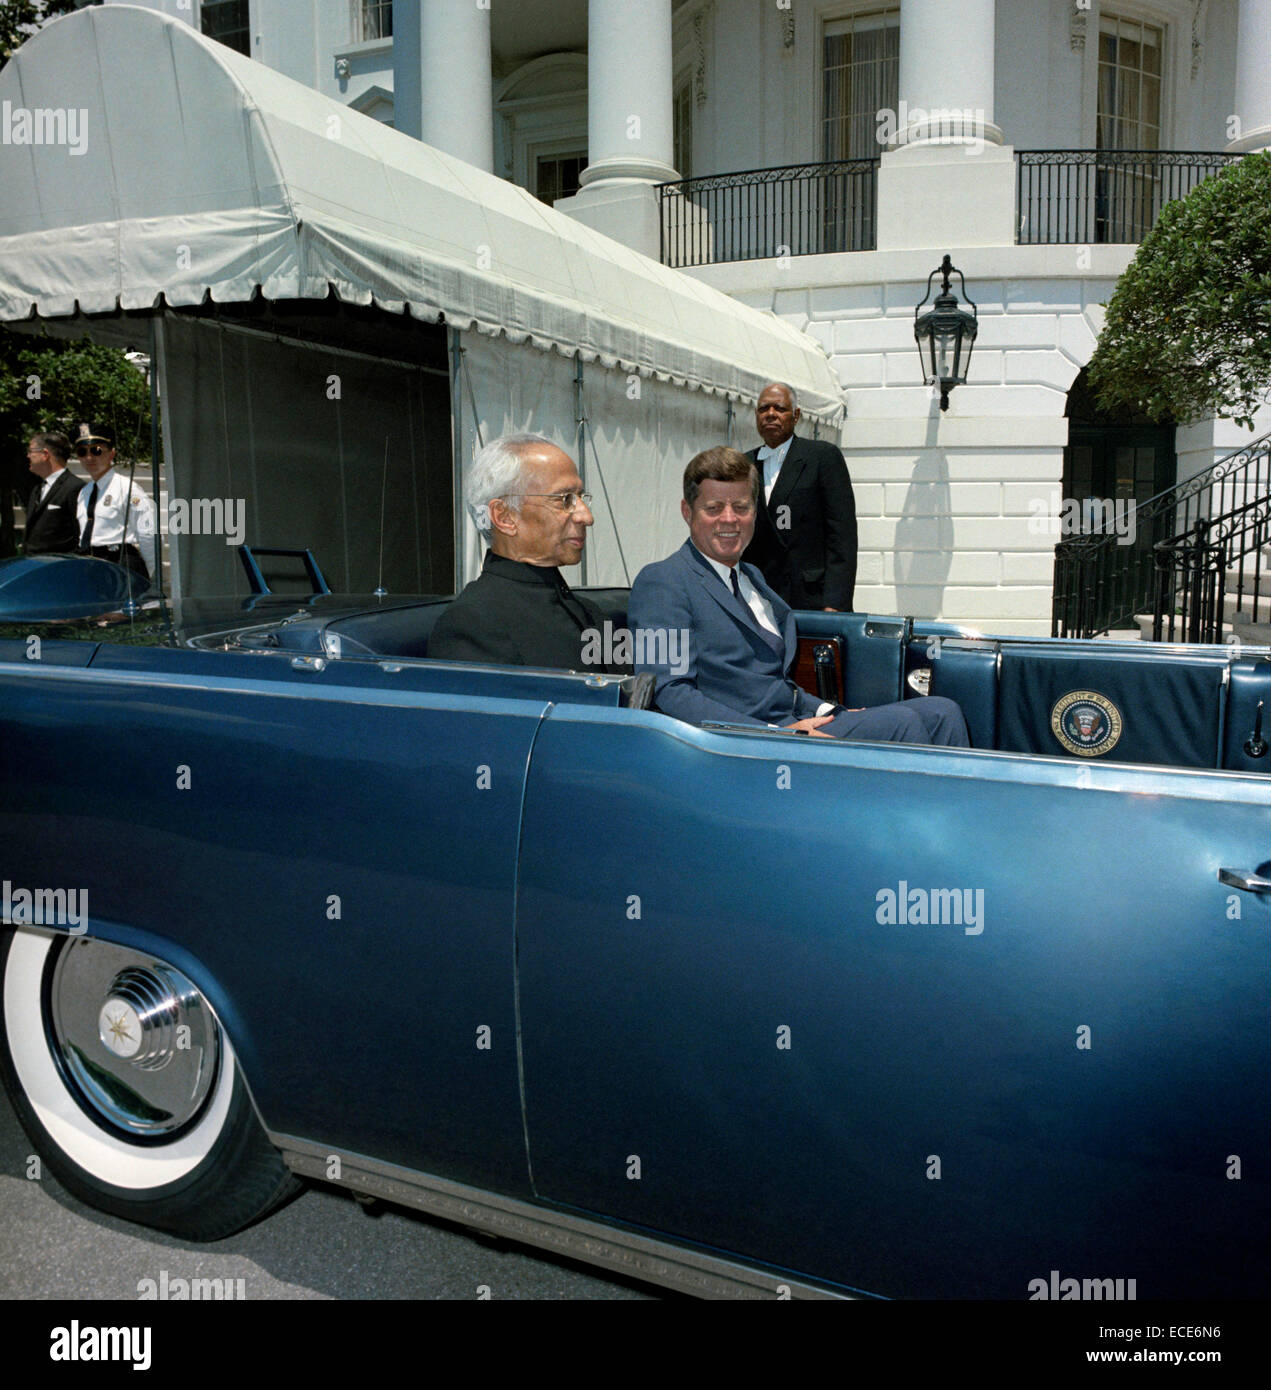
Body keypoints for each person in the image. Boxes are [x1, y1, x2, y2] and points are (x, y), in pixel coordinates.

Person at [628, 446, 968, 745]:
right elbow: (668, 691)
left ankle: (959, 816)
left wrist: (831, 710)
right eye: (714, 508)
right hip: (749, 743)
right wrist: (777, 735)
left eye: (741, 507)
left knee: (944, 711)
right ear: (688, 512)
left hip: (794, 724)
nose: (729, 519)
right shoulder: (662, 582)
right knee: (906, 724)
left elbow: (776, 685)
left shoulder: (752, 578)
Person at [429, 433, 629, 673]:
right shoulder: (473, 624)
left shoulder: (587, 612)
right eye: (564, 499)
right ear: (505, 517)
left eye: (580, 497)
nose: (586, 516)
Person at [742, 381, 857, 612]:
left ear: (796, 416)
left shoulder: (822, 457)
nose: (771, 414)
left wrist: (834, 602)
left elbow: (842, 537)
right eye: (764, 409)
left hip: (810, 599)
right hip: (759, 598)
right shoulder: (744, 464)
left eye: (779, 408)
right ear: (756, 416)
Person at [72, 422, 156, 582]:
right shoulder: (85, 492)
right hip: (91, 566)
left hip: (119, 565)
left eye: (96, 451)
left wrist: (147, 574)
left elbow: (148, 535)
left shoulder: (127, 488)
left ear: (111, 454)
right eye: (82, 452)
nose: (89, 457)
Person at [22, 432, 82, 554]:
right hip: (32, 565)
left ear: (45, 454)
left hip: (57, 567)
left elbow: (79, 535)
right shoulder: (37, 489)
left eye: (31, 451)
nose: (28, 455)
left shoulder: (75, 488)